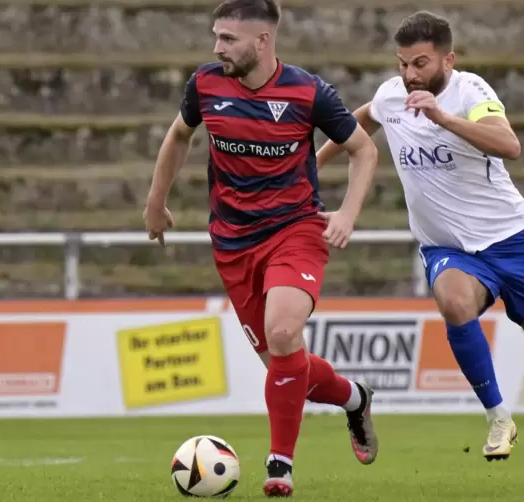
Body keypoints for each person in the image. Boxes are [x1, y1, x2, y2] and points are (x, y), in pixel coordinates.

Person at [316, 10, 524, 493]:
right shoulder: (390, 96)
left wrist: (443, 118)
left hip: (513, 241)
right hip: (450, 249)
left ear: (448, 59)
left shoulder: (471, 92)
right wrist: (305, 169)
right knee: (452, 300)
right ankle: (498, 418)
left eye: (420, 63)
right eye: (403, 63)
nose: (410, 75)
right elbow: (355, 127)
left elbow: (509, 145)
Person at [143, 0, 380, 497]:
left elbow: (364, 149)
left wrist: (348, 214)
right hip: (232, 243)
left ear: (262, 41)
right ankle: (355, 398)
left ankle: (280, 465)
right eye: (216, 37)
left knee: (284, 330)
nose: (217, 48)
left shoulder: (309, 91)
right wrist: (155, 202)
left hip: (296, 231)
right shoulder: (205, 85)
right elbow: (179, 135)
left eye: (228, 39)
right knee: (285, 363)